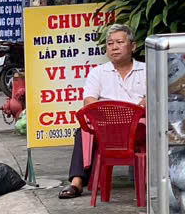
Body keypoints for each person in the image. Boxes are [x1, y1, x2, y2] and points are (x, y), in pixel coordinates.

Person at [60, 22, 145, 199]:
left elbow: (154, 97)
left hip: (138, 127)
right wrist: (110, 116)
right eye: (110, 43)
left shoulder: (146, 70)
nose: (114, 47)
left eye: (120, 42)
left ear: (133, 46)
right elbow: (89, 100)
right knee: (83, 132)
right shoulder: (98, 73)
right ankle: (77, 182)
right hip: (107, 126)